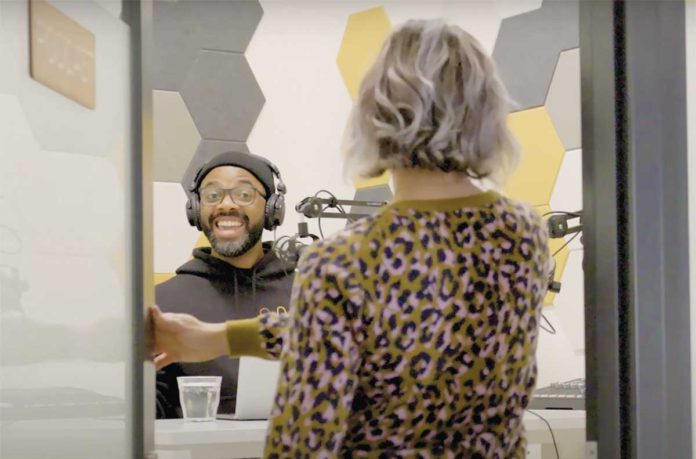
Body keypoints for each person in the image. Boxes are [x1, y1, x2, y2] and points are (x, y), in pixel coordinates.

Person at [152, 19, 551, 457]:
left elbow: (303, 441)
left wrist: (222, 338)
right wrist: (221, 338)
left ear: (376, 117)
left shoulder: (343, 262)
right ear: (488, 113)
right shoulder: (523, 233)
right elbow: (406, 324)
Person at [154, 151, 295, 418]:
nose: (226, 205)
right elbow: (149, 411)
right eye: (213, 195)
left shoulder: (309, 294)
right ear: (196, 208)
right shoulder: (162, 301)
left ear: (272, 208)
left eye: (244, 194)